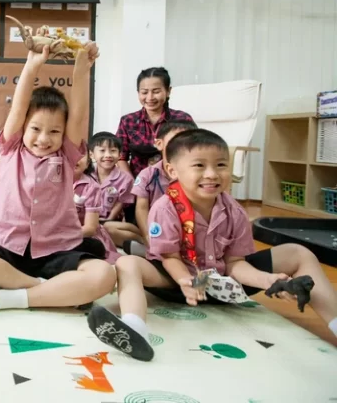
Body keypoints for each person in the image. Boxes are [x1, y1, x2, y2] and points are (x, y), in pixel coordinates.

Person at [88, 129, 337, 362]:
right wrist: (186, 281)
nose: (212, 174)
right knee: (126, 263)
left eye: (221, 165)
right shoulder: (164, 208)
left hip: (222, 281)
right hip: (177, 282)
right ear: (172, 170)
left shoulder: (234, 211)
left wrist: (267, 280)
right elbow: (170, 258)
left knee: (298, 252)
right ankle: (134, 329)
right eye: (199, 165)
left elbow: (235, 263)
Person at [0, 43, 116, 314]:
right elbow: (19, 108)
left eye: (54, 131)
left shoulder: (66, 155)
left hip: (56, 248)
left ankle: (15, 298)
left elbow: (77, 114)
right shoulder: (11, 148)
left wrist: (81, 69)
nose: (44, 139)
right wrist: (32, 65)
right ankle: (46, 289)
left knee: (104, 274)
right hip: (8, 246)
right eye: (35, 129)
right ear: (23, 127)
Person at [116, 67, 193, 224]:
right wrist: (133, 183)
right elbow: (121, 156)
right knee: (139, 226)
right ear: (138, 93)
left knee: (173, 225)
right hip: (139, 188)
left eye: (156, 91)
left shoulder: (182, 119)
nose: (150, 97)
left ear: (168, 91)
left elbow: (193, 153)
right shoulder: (128, 121)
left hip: (174, 185)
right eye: (144, 92)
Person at [128, 119, 197, 256]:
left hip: (188, 227)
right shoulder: (147, 174)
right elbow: (142, 208)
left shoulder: (195, 174)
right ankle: (151, 249)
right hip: (157, 227)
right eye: (176, 140)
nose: (181, 145)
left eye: (188, 141)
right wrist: (148, 236)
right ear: (159, 144)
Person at [89, 132, 140, 247]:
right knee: (97, 230)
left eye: (113, 151)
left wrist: (108, 219)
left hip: (112, 220)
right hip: (91, 218)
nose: (108, 155)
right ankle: (134, 243)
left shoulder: (126, 178)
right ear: (91, 154)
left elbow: (119, 203)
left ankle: (141, 239)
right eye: (102, 151)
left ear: (120, 154)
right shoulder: (87, 176)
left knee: (106, 228)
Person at [73, 151, 119, 264]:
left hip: (83, 235)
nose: (74, 157)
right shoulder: (51, 182)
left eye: (81, 154)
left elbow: (90, 228)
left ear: (88, 162)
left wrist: (61, 237)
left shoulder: (91, 187)